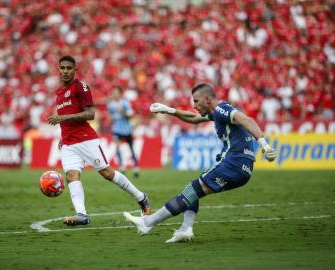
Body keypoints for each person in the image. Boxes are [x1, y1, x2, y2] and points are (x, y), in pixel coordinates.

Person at [123, 83, 277, 243]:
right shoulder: (217, 112)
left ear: (207, 99)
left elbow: (247, 120)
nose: (194, 105)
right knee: (193, 190)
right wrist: (169, 111)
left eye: (196, 101)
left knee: (192, 189)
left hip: (233, 163)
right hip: (243, 169)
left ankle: (148, 222)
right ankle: (185, 229)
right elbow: (194, 118)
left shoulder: (221, 109)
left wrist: (264, 144)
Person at [47, 55, 151, 226]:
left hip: (85, 138)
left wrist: (64, 116)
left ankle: (141, 197)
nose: (65, 71)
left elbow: (90, 114)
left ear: (75, 70)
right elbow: (66, 118)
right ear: (58, 69)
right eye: (62, 68)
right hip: (68, 142)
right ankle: (81, 214)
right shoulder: (59, 92)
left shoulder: (81, 87)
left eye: (69, 68)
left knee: (107, 173)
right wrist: (61, 136)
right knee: (72, 175)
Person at [107, 87, 139, 178]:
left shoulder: (125, 103)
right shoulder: (110, 105)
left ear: (120, 94)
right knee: (117, 147)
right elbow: (110, 116)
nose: (114, 94)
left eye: (116, 93)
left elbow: (130, 115)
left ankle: (136, 167)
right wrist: (111, 117)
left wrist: (124, 112)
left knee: (131, 148)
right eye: (113, 93)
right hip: (116, 129)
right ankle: (122, 167)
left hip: (127, 129)